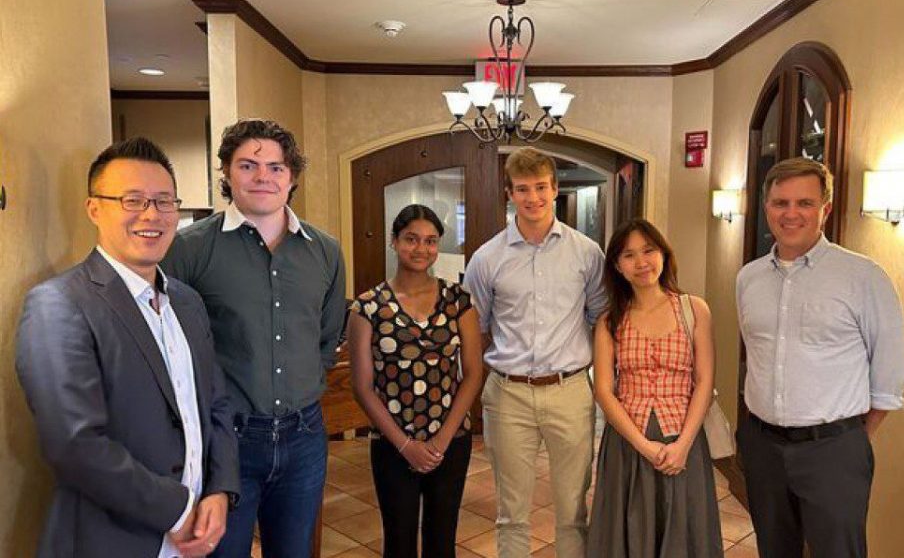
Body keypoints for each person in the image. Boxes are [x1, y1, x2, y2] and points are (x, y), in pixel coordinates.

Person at [16, 138, 239, 558]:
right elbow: (73, 444)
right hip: (112, 539)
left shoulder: (187, 302)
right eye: (132, 200)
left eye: (163, 201)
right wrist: (178, 511)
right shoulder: (59, 303)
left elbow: (216, 405)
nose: (151, 214)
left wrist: (220, 489)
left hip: (195, 535)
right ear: (94, 209)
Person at [160, 119, 346, 558]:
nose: (263, 176)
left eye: (276, 167)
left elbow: (327, 336)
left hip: (304, 437)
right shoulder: (189, 249)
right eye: (248, 165)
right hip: (227, 443)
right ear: (226, 172)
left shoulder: (326, 251)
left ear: (292, 177)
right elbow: (170, 346)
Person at [736, 158, 904, 558]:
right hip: (763, 446)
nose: (791, 213)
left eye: (805, 203)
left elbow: (890, 372)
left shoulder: (863, 277)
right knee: (774, 549)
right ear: (766, 208)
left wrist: (849, 439)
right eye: (780, 203)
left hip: (833, 449)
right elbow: (757, 353)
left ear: (825, 209)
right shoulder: (748, 278)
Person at [464, 147, 607, 558]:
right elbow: (479, 328)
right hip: (508, 395)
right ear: (509, 193)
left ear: (555, 189)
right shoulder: (487, 259)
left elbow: (600, 318)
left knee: (573, 511)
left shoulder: (586, 253)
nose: (533, 198)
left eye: (541, 187)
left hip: (570, 391)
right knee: (511, 513)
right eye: (523, 189)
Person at [347, 204, 484, 558]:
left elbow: (472, 372)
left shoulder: (459, 301)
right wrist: (406, 445)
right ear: (394, 242)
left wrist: (440, 441)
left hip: (450, 439)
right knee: (399, 539)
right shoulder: (368, 307)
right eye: (411, 239)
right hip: (392, 442)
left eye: (430, 241)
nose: (421, 249)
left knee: (442, 540)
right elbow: (362, 386)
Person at [586, 219, 724, 557]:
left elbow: (705, 381)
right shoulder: (609, 320)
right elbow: (603, 389)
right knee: (628, 530)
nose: (641, 262)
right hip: (628, 443)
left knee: (683, 529)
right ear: (617, 266)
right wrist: (644, 446)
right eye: (629, 255)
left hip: (683, 439)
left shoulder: (694, 309)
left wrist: (683, 446)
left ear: (663, 254)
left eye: (648, 251)